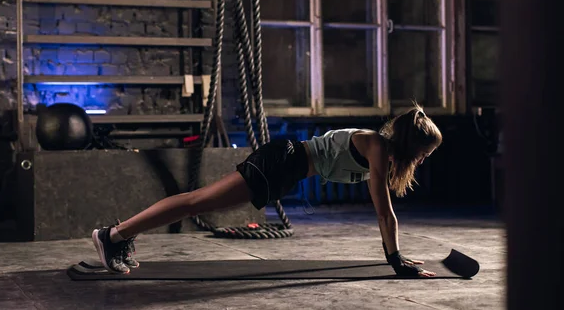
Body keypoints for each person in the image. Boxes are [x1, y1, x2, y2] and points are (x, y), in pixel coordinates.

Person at [92, 103, 443, 277]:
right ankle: (115, 234)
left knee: (196, 203)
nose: (424, 162)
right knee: (195, 203)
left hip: (285, 168)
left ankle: (119, 235)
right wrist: (395, 261)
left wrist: (395, 256)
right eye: (424, 155)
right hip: (282, 161)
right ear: (412, 146)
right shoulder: (376, 147)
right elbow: (383, 211)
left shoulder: (379, 149)